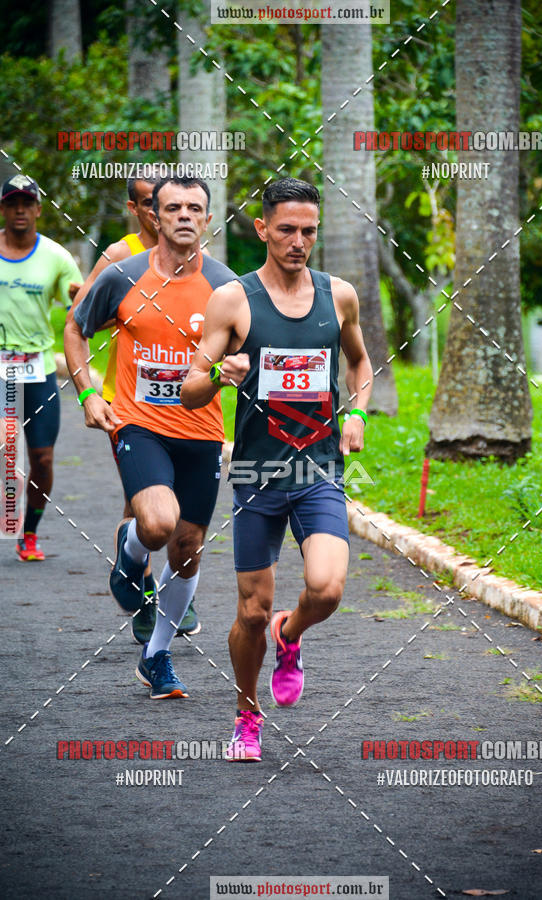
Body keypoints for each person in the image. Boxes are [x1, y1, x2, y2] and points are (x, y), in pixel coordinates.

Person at [181, 176, 373, 761]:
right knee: (250, 611)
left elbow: (361, 364)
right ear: (262, 228)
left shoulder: (338, 295)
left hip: (319, 468)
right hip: (256, 474)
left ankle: (291, 636)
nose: (297, 241)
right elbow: (189, 388)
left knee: (328, 587)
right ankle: (246, 711)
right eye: (286, 229)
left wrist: (358, 412)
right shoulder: (233, 300)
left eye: (308, 231)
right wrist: (220, 375)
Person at [64, 175, 236, 699]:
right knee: (158, 524)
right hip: (139, 424)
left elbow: (255, 354)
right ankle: (133, 544)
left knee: (187, 549)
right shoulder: (123, 275)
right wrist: (90, 395)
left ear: (208, 220)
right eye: (173, 208)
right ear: (154, 218)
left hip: (203, 432)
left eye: (195, 208)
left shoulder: (229, 288)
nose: (185, 215)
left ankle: (156, 656)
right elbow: (76, 328)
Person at [67, 175, 199, 643]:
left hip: (192, 418)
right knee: (144, 504)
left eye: (190, 207)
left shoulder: (206, 269)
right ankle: (142, 588)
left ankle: (168, 569)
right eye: (150, 204)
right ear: (142, 209)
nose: (157, 212)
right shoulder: (122, 259)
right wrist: (88, 393)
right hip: (129, 407)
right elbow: (79, 318)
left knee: (173, 518)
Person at [0, 174, 82, 561]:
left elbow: (77, 312)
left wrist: (81, 304)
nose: (20, 210)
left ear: (37, 209)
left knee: (43, 458)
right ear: (3, 209)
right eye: (12, 203)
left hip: (36, 370)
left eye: (26, 203)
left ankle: (28, 533)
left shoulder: (56, 257)